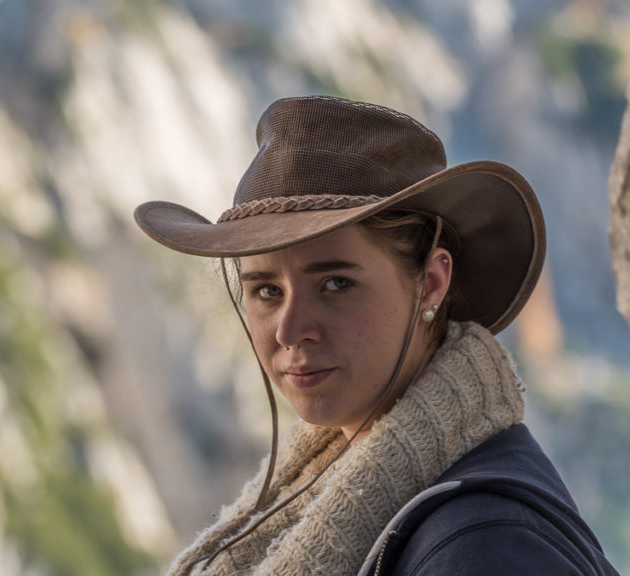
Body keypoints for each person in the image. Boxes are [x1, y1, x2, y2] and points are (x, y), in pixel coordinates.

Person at [134, 96, 619, 575]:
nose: (289, 329)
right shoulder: (382, 504)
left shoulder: (482, 546)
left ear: (430, 282)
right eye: (265, 290)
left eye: (335, 283)